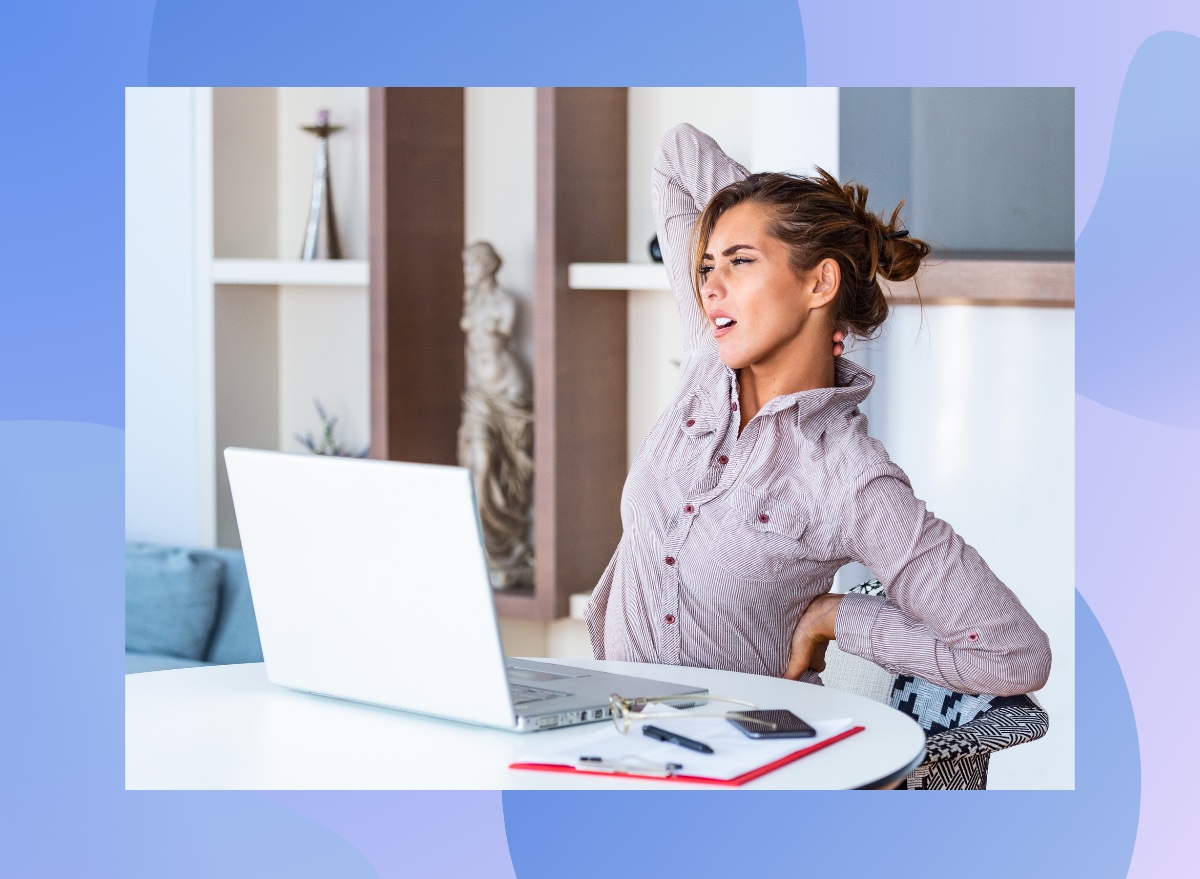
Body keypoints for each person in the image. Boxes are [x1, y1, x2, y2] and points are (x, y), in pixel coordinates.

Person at [585, 124, 1051, 697]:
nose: (710, 286)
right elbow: (675, 153)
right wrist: (787, 222)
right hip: (609, 739)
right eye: (707, 266)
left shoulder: (849, 481)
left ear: (820, 281)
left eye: (740, 262)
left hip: (730, 772)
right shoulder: (708, 363)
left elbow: (1016, 657)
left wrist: (839, 616)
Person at [457, 242, 535, 589]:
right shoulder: (471, 301)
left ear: (488, 267)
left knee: (505, 466)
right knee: (478, 460)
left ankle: (506, 545)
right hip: (478, 395)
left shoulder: (506, 304)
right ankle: (486, 548)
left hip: (508, 390)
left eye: (472, 266)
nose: (467, 273)